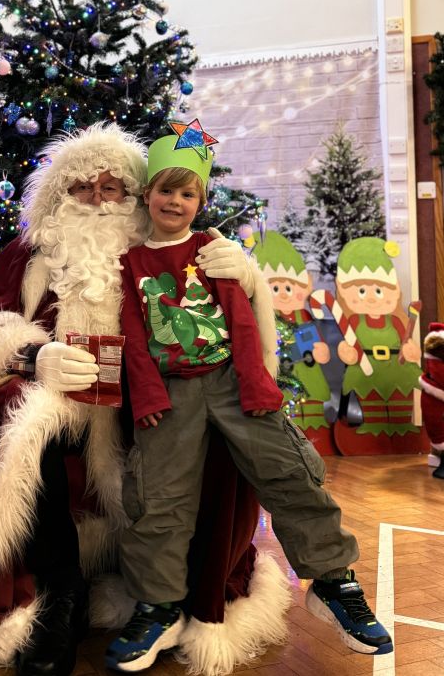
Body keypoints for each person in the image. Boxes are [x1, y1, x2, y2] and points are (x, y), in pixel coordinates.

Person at [0, 122, 290, 676]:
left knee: (213, 417)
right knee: (16, 408)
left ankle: (184, 592)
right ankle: (60, 590)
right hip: (59, 400)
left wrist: (248, 279)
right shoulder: (31, 254)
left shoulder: (172, 251)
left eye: (111, 188)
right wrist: (31, 356)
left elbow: (235, 333)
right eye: (82, 188)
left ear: (134, 195)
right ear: (60, 195)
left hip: (151, 399)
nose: (97, 200)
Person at [106, 124, 393, 673]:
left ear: (200, 201)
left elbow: (241, 318)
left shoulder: (212, 249)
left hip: (232, 380)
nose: (175, 201)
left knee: (290, 470)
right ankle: (158, 606)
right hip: (169, 392)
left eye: (187, 193)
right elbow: (133, 335)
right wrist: (144, 394)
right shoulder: (130, 263)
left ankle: (333, 582)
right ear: (147, 194)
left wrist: (258, 381)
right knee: (159, 498)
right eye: (166, 190)